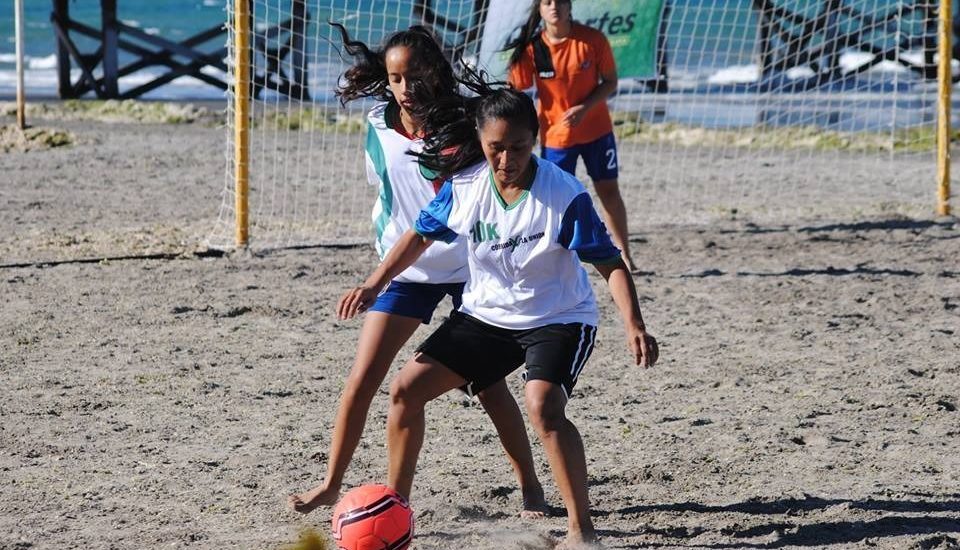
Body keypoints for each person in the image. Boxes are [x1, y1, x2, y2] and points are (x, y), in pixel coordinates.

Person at [337, 83, 659, 548]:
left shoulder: (565, 196)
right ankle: (395, 510)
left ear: (535, 140)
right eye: (495, 148)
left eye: (518, 148)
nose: (506, 159)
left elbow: (609, 264)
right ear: (480, 139)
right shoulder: (465, 186)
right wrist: (375, 282)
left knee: (543, 407)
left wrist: (634, 324)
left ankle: (581, 531)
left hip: (558, 316)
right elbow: (418, 236)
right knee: (405, 391)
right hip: (486, 316)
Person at [287, 23, 547, 518]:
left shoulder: (467, 124)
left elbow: (502, 178)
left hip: (470, 267)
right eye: (396, 78)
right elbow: (384, 189)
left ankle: (530, 486)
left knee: (489, 387)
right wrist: (375, 277)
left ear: (436, 73)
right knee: (362, 378)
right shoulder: (378, 124)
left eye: (415, 76)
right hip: (403, 269)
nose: (406, 89)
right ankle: (330, 484)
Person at [506, 0, 640, 273]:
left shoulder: (592, 40)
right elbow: (514, 93)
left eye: (559, 1)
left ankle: (625, 254)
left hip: (597, 131)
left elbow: (611, 82)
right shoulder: (533, 49)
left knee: (608, 192)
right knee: (553, 198)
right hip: (556, 137)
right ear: (540, 10)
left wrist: (584, 108)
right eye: (546, 2)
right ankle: (554, 257)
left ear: (569, 7)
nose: (553, 6)